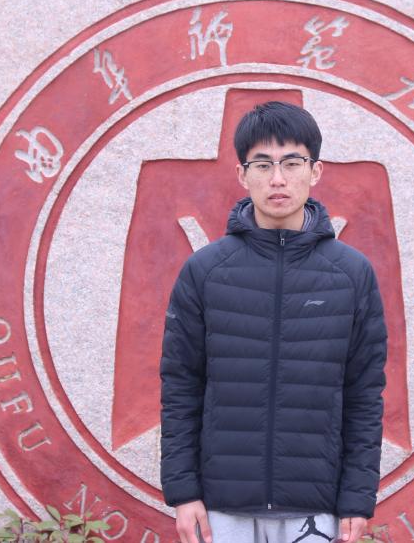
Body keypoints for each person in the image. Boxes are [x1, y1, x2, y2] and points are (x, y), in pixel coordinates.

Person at [159, 100, 388, 543]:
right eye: (262, 164)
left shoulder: (351, 274)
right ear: (242, 175)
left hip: (316, 509)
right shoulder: (206, 271)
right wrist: (184, 493)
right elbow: (181, 386)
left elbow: (364, 393)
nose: (277, 179)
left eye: (292, 163)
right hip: (222, 507)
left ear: (315, 171)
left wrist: (357, 499)